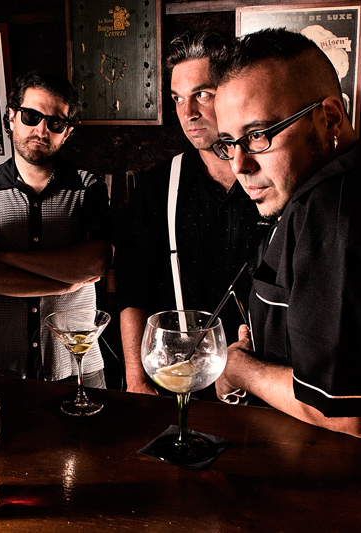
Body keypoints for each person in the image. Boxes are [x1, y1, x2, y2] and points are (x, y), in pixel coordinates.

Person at [209, 29, 361, 437]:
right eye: (228, 143)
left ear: (329, 118)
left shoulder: (334, 211)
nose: (239, 165)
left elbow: (350, 414)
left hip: (357, 473)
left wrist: (240, 370)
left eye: (257, 135)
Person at [115, 30, 270, 395]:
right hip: (183, 377)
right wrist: (137, 380)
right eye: (178, 99)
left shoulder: (272, 180)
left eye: (202, 94)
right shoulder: (158, 185)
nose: (188, 113)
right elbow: (133, 289)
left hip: (267, 380)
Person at [0, 70, 112, 387]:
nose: (41, 129)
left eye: (55, 123)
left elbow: (95, 263)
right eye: (31, 116)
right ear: (11, 117)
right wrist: (62, 284)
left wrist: (1, 256)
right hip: (0, 367)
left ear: (67, 133)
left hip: (78, 366)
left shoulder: (88, 187)